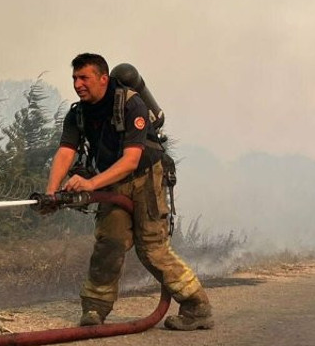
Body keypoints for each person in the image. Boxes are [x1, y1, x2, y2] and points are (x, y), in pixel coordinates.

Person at [45, 53, 213, 330]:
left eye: (84, 77)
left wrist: (90, 184)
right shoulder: (78, 113)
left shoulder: (130, 104)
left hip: (145, 176)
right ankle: (94, 309)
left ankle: (197, 307)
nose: (77, 84)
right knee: (109, 243)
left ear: (103, 78)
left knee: (152, 248)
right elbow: (66, 151)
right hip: (111, 180)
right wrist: (51, 193)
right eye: (74, 78)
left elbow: (131, 160)